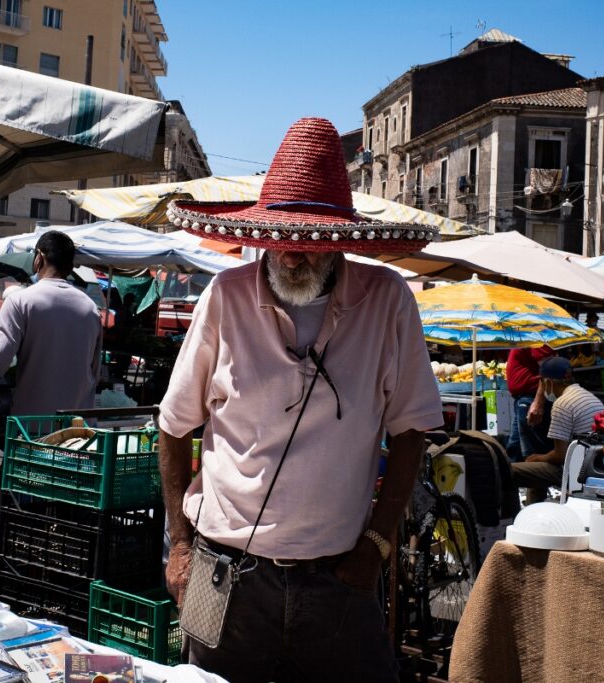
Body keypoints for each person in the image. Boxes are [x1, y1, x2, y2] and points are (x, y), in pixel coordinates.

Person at [157, 118, 444, 682]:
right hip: (221, 570)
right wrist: (180, 546)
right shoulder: (224, 297)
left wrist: (378, 545)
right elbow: (173, 427)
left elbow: (411, 431)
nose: (290, 257)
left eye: (307, 244)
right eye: (278, 242)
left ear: (337, 242)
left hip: (340, 579)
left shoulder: (387, 302)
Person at [0, 231, 101, 415]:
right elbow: (95, 372)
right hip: (77, 428)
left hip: (33, 428)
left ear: (39, 257)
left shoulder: (20, 301)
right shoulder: (90, 308)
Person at [511, 357, 604, 504]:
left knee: (509, 471)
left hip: (575, 469)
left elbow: (560, 456)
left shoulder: (562, 403)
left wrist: (538, 458)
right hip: (592, 464)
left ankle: (512, 517)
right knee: (537, 465)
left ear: (547, 382)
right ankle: (534, 507)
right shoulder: (589, 396)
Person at [505, 345, 555, 462]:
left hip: (530, 400)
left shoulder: (535, 336)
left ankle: (536, 478)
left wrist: (538, 402)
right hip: (523, 400)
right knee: (514, 449)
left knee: (532, 453)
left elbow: (549, 369)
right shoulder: (523, 335)